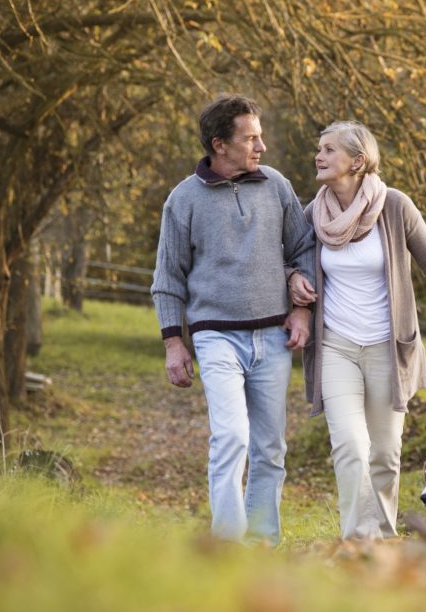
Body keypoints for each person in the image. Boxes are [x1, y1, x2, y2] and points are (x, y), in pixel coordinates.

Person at [288, 120, 426, 540]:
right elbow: (289, 258)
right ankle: (360, 540)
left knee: (386, 454)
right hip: (336, 345)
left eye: (328, 149)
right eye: (318, 148)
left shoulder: (394, 207)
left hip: (388, 349)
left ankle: (385, 535)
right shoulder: (312, 214)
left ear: (357, 161)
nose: (318, 156)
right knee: (350, 447)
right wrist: (291, 280)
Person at [151, 94, 315, 545]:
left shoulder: (277, 185)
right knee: (231, 436)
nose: (261, 146)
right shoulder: (183, 200)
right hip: (215, 338)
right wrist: (172, 342)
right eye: (251, 138)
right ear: (220, 145)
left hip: (273, 338)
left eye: (260, 136)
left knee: (270, 448)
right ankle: (226, 544)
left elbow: (304, 248)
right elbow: (168, 276)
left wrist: (301, 308)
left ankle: (261, 542)